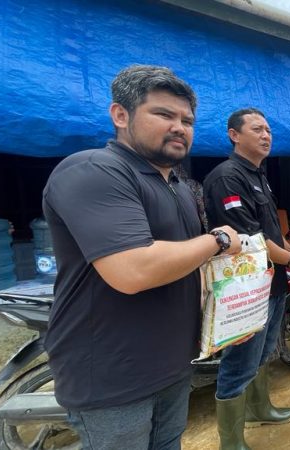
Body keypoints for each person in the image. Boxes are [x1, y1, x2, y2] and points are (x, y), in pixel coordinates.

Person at [42, 65, 242, 449]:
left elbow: (187, 261)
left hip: (172, 365)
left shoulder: (178, 186)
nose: (179, 127)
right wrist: (217, 239)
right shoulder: (94, 171)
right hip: (113, 378)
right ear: (120, 115)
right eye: (163, 114)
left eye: (187, 119)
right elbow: (132, 269)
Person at [203, 108, 290, 449]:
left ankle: (259, 408)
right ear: (234, 135)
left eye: (268, 129)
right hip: (246, 291)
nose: (266, 135)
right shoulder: (227, 178)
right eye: (257, 129)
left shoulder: (258, 175)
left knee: (263, 352)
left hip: (273, 283)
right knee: (239, 362)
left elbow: (271, 231)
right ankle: (232, 442)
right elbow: (251, 239)